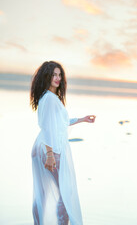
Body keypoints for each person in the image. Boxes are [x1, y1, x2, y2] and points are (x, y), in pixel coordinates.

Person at [30, 61, 96, 225]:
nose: (57, 78)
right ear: (47, 76)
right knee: (66, 194)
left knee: (42, 194)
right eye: (54, 74)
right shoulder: (51, 99)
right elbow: (47, 127)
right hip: (50, 149)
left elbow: (59, 123)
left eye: (59, 74)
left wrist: (81, 119)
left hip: (41, 147)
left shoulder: (47, 97)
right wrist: (51, 155)